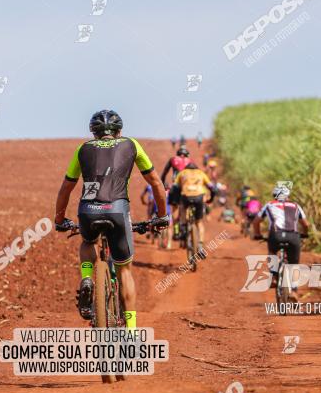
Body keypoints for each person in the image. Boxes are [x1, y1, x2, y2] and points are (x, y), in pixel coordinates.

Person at [54, 109, 167, 329]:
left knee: (88, 242)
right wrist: (161, 216)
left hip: (88, 210)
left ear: (93, 133)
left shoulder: (82, 149)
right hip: (117, 209)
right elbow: (155, 183)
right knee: (125, 270)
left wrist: (59, 220)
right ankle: (132, 332)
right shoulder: (132, 144)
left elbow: (66, 188)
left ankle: (87, 276)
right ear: (119, 131)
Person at [253, 184, 309, 297]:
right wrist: (305, 234)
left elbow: (256, 221)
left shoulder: (269, 205)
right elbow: (306, 224)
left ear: (275, 195)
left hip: (275, 235)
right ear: (287, 195)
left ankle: (274, 277)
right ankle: (293, 291)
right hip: (293, 236)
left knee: (272, 253)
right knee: (294, 265)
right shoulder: (296, 206)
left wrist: (258, 234)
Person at [175, 162, 213, 255]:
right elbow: (212, 187)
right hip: (199, 197)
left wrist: (175, 200)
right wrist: (211, 199)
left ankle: (183, 228)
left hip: (185, 197)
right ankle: (200, 245)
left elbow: (175, 187)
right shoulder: (201, 173)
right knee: (199, 222)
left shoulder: (182, 173)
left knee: (182, 209)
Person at [161, 146, 191, 238]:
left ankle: (177, 229)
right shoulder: (190, 160)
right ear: (187, 154)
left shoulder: (173, 159)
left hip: (176, 186)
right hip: (188, 187)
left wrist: (163, 183)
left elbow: (164, 173)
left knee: (175, 209)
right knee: (187, 206)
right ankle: (186, 225)